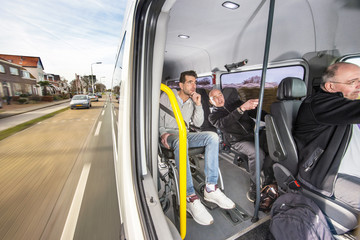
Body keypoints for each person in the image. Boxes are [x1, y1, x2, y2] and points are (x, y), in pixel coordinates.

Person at [159, 70, 235, 226]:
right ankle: (189, 197)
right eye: (189, 82)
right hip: (169, 135)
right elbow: (157, 119)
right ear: (181, 85)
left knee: (212, 137)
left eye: (195, 82)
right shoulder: (167, 96)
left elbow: (198, 123)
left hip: (184, 134)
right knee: (181, 142)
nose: (194, 86)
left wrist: (198, 105)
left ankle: (211, 188)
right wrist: (162, 133)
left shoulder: (194, 100)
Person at [294, 62, 360, 210]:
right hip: (326, 173)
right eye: (353, 82)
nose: (359, 86)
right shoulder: (318, 104)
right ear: (330, 87)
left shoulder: (344, 104)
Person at [208, 88, 273, 202]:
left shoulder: (236, 104)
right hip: (237, 141)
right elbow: (225, 123)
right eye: (215, 98)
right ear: (210, 101)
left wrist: (270, 117)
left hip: (253, 134)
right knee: (257, 153)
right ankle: (255, 185)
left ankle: (269, 179)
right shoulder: (213, 116)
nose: (219, 98)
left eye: (220, 95)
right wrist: (241, 109)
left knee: (273, 146)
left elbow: (256, 113)